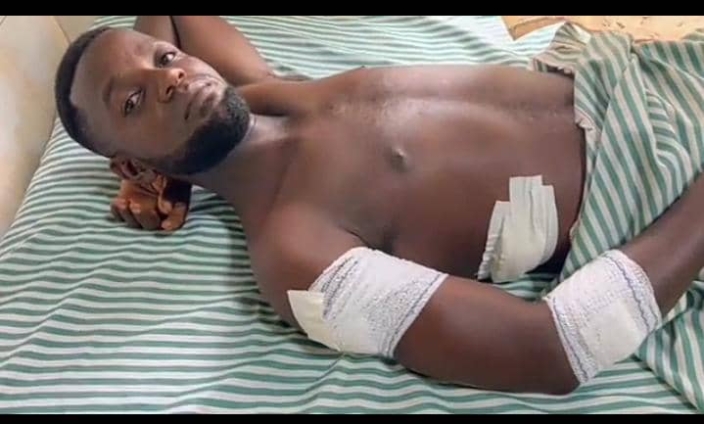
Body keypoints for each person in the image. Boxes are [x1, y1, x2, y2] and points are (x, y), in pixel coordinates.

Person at [53, 16, 704, 395]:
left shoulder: (269, 91)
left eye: (166, 59)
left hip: (653, 78)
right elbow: (553, 350)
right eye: (132, 101)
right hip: (668, 178)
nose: (169, 77)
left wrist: (170, 172)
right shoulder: (298, 255)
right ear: (129, 165)